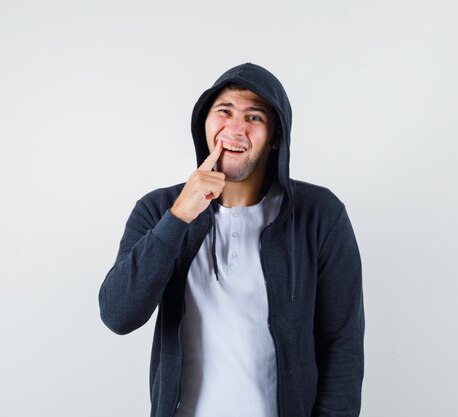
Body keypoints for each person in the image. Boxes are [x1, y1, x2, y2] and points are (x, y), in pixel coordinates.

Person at [99, 63, 364, 417]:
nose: (235, 128)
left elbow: (342, 345)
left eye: (254, 117)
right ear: (204, 125)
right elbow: (119, 315)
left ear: (274, 137)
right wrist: (178, 218)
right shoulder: (160, 209)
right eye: (224, 111)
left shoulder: (320, 215)